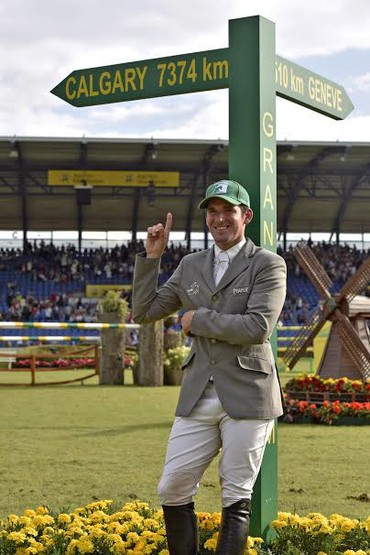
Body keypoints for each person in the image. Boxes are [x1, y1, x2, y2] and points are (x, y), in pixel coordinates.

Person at [132, 179, 287, 555]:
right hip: (198, 393)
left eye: (227, 211)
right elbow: (144, 312)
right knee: (172, 486)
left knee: (236, 492)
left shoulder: (268, 263)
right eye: (212, 212)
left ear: (245, 216)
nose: (219, 219)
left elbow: (257, 328)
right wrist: (152, 257)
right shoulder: (190, 265)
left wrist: (196, 319)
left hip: (249, 394)